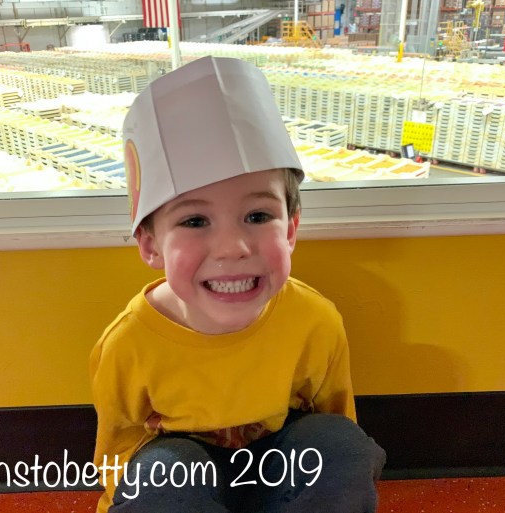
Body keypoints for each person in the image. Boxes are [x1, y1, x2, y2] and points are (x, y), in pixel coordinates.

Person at [90, 56, 386, 513]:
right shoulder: (127, 345)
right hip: (186, 483)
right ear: (151, 245)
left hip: (277, 480)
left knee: (341, 448)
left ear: (290, 230)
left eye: (258, 215)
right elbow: (119, 454)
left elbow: (335, 429)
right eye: (195, 220)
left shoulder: (315, 320)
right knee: (160, 474)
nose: (232, 248)